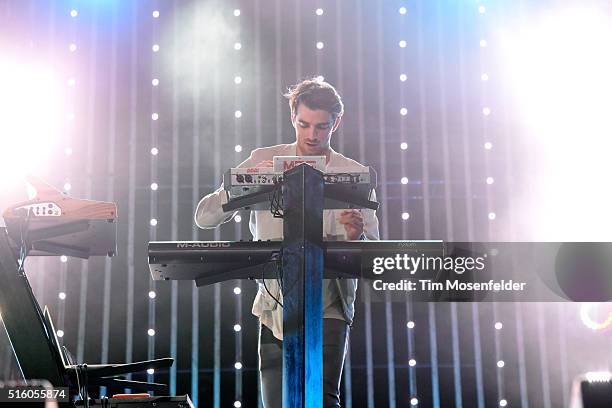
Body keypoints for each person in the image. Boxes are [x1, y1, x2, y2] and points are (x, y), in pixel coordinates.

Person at [195, 78, 380, 407]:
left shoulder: (354, 174)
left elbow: (377, 257)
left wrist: (358, 238)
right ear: (292, 116)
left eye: (322, 127)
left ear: (336, 122)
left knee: (320, 401)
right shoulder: (264, 158)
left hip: (328, 306)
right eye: (304, 124)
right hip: (274, 309)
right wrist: (247, 184)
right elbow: (204, 218)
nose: (312, 135)